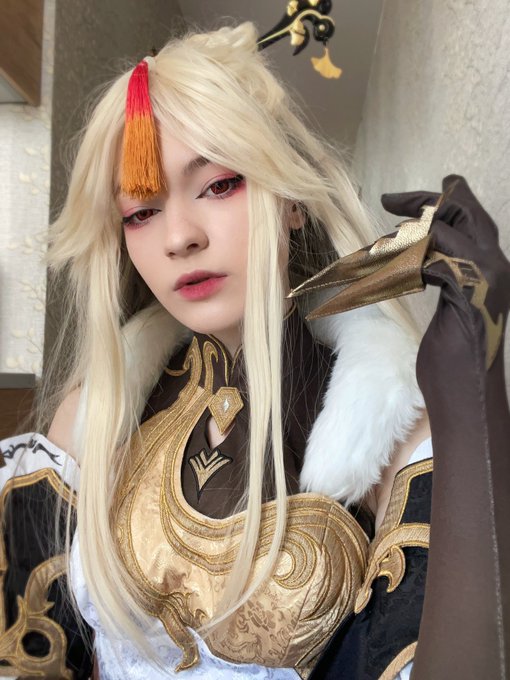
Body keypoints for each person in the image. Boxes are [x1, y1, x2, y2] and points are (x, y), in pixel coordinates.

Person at [0, 21, 508, 680]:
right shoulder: (97, 414)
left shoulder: (387, 429)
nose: (179, 237)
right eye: (141, 212)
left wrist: (472, 395)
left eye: (218, 185)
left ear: (291, 201)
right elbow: (27, 653)